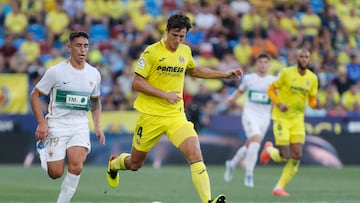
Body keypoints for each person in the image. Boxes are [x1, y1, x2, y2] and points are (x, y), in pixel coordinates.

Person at [106, 13, 242, 203]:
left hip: (175, 116)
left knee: (195, 153)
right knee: (135, 164)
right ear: (167, 31)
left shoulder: (185, 51)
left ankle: (208, 201)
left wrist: (224, 75)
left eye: (182, 36)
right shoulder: (151, 52)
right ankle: (115, 164)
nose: (178, 40)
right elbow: (136, 83)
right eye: (175, 35)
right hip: (151, 116)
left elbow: (194, 70)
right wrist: (164, 94)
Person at [29, 31, 105, 203]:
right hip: (57, 124)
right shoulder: (56, 72)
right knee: (55, 173)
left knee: (76, 164)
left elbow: (95, 102)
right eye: (78, 45)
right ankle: (42, 148)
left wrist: (98, 126)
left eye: (85, 46)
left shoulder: (94, 74)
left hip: (79, 124)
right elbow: (34, 95)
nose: (82, 50)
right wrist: (41, 123)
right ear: (69, 47)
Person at [260, 48, 324, 197]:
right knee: (284, 155)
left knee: (297, 156)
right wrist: (279, 103)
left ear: (309, 59)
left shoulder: (313, 78)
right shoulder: (286, 73)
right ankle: (269, 149)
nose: (304, 59)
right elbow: (270, 90)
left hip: (298, 120)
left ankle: (278, 187)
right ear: (297, 58)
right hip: (282, 117)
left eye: (306, 57)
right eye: (301, 56)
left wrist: (317, 105)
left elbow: (312, 100)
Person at [223, 53, 276, 188]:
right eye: (260, 62)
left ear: (268, 65)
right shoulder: (249, 78)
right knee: (256, 139)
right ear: (256, 64)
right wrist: (231, 99)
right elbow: (240, 91)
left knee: (251, 144)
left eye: (265, 62)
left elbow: (278, 98)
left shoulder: (273, 81)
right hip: (250, 114)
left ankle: (232, 164)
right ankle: (249, 174)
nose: (263, 65)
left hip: (264, 117)